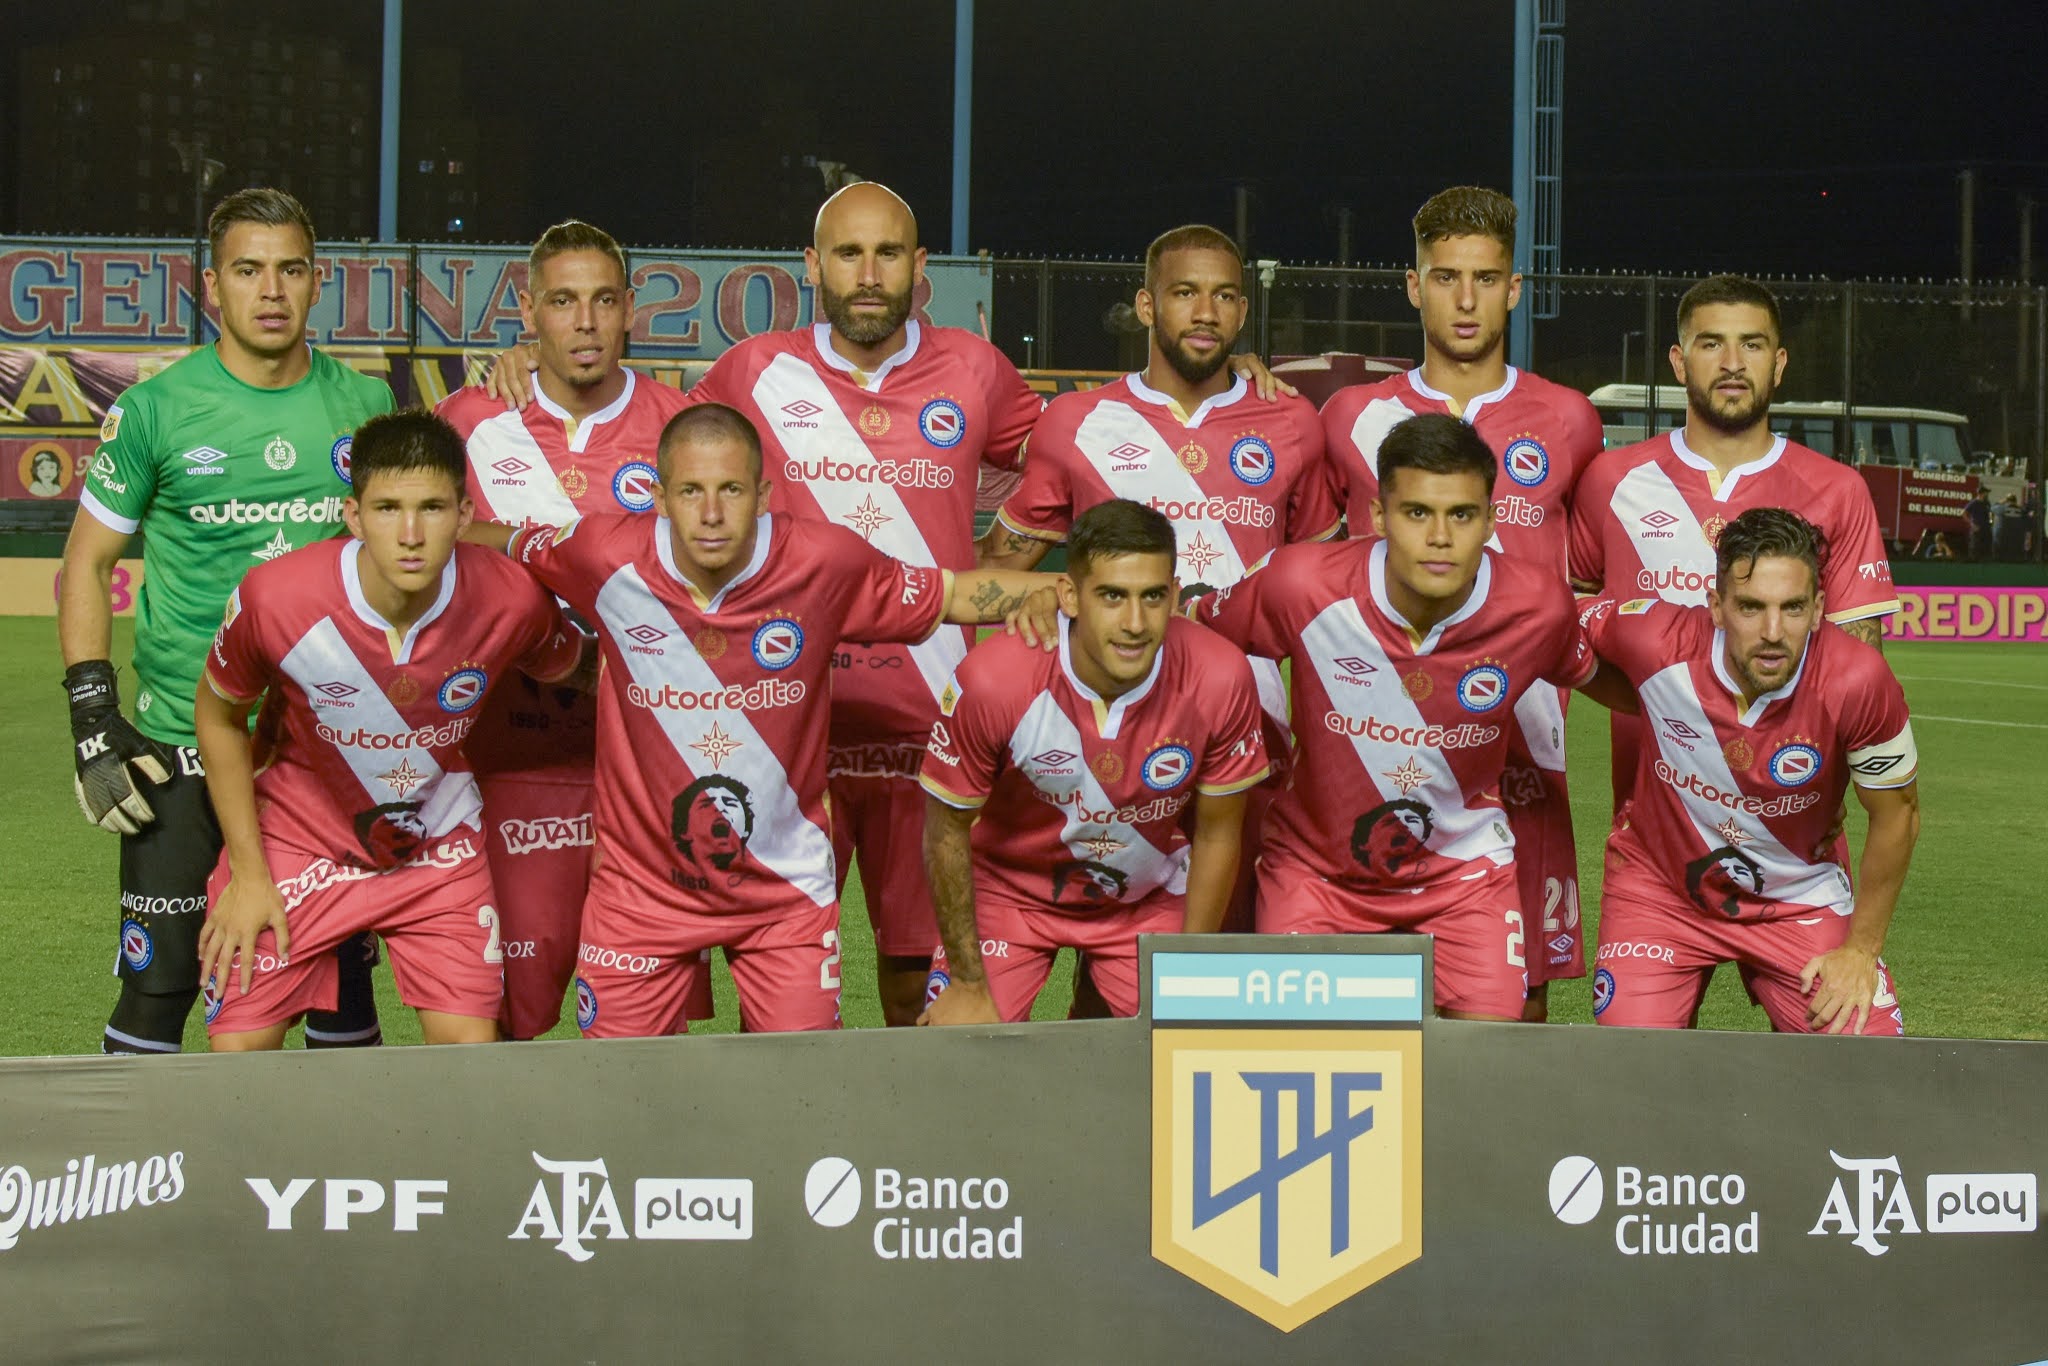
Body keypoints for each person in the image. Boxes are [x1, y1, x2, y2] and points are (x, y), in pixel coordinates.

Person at [473, 402, 1059, 1038]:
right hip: (639, 895)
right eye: (691, 491)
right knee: (620, 1098)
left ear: (763, 494)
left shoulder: (822, 561)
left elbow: (950, 595)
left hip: (785, 895)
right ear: (660, 498)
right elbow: (503, 541)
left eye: (730, 490)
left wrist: (1061, 592)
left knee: (798, 1101)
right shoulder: (603, 552)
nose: (712, 514)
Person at [58, 187, 393, 1054]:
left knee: (337, 989)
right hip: (179, 749)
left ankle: (337, 1184)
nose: (270, 290)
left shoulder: (365, 407)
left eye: (290, 270)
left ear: (319, 282)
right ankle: (134, 1182)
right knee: (158, 984)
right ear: (213, 287)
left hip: (322, 756)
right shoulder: (156, 409)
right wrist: (94, 721)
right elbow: (85, 564)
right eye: (248, 271)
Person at [977, 224, 1335, 976]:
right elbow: (995, 570)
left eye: (1224, 296)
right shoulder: (1075, 423)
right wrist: (1050, 597)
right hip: (1100, 739)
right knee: (1101, 942)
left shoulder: (1293, 423)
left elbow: (1323, 595)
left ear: (1242, 314)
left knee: (1213, 970)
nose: (1204, 312)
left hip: (1249, 735)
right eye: (1184, 293)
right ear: (1146, 305)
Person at [193, 411, 585, 1050]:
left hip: (437, 848)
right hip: (297, 844)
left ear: (463, 515)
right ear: (353, 516)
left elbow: (582, 673)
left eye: (431, 508)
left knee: (471, 1068)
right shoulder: (276, 599)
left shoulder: (511, 598)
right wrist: (248, 873)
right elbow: (217, 718)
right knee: (238, 1063)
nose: (409, 534)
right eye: (386, 509)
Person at [1195, 413, 1606, 1022]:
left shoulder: (1538, 605)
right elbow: (1194, 637)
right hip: (1317, 874)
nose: (1439, 536)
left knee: (1487, 1061)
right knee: (1295, 1052)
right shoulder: (1301, 584)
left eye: (1462, 515)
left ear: (1491, 522)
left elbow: (1624, 683)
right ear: (1379, 517)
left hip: (1463, 874)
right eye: (1417, 513)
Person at [1318, 186, 1605, 1019]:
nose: (1467, 299)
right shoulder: (1348, 418)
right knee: (1360, 1005)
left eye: (1485, 279)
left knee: (1517, 1000)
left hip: (1521, 741)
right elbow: (1314, 563)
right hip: (1373, 735)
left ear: (1515, 288)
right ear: (1414, 287)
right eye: (1445, 277)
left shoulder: (1569, 419)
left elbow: (1584, 577)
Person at [438, 219, 693, 1039]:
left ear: (629, 313)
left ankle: (650, 1169)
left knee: (647, 1023)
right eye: (562, 302)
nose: (584, 322)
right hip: (517, 760)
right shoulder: (471, 422)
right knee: (517, 1009)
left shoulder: (684, 427)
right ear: (529, 311)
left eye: (602, 301)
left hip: (653, 769)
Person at [919, 500, 1268, 1024]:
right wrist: (968, 981)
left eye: (1152, 597)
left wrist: (1186, 972)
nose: (1134, 623)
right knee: (960, 1054)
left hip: (1145, 894)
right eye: (1111, 596)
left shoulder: (1220, 676)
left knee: (1183, 1047)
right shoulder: (996, 680)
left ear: (1175, 596)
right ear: (1069, 596)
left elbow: (1219, 835)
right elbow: (945, 830)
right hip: (1011, 893)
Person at [1575, 508, 1918, 1034]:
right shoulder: (1654, 638)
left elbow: (1898, 814)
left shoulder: (1858, 679)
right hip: (1661, 890)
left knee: (1870, 1061)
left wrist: (1860, 949)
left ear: (1820, 608)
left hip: (1795, 894)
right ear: (1716, 606)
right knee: (1632, 1058)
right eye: (1752, 607)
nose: (1774, 631)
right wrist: (1636, 696)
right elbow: (1550, 621)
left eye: (1794, 607)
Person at [1569, 274, 1899, 810]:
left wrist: (1838, 782)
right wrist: (1639, 694)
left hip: (1789, 811)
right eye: (1711, 343)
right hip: (1650, 819)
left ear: (1779, 363)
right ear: (1678, 362)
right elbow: (1573, 611)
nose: (1732, 362)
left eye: (1752, 343)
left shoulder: (1838, 490)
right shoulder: (1610, 480)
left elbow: (1857, 659)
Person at [1964, 488, 1993, 561]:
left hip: (1986, 529)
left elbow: (1990, 513)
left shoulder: (1987, 503)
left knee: (1985, 548)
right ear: (1981, 493)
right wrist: (1972, 524)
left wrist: (1991, 522)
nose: (1987, 494)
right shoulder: (1974, 503)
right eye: (1986, 493)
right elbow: (1964, 514)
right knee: (1975, 548)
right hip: (1977, 529)